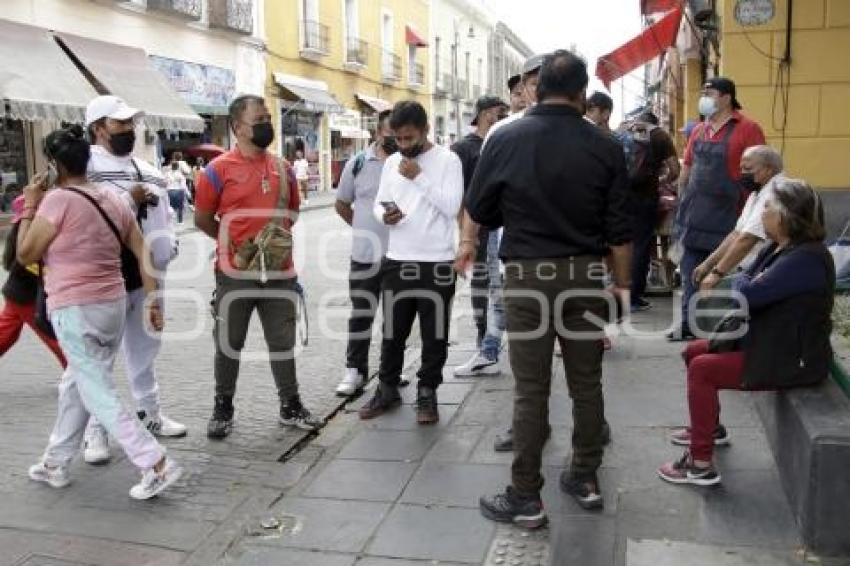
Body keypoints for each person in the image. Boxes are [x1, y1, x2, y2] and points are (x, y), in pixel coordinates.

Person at [470, 50, 633, 526]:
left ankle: (525, 495)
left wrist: (516, 212)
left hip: (526, 277)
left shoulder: (506, 138)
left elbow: (480, 208)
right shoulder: (605, 146)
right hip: (585, 274)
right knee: (587, 383)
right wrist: (621, 287)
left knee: (530, 389)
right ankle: (584, 475)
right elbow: (619, 230)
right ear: (583, 94)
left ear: (536, 90)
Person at [18, 125, 182, 499]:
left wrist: (30, 204)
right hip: (113, 304)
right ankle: (55, 462)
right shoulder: (112, 199)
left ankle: (155, 462)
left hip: (76, 307)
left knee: (96, 391)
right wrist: (153, 300)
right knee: (79, 383)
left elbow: (25, 253)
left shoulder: (57, 201)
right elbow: (142, 251)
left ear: (55, 165)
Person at [658, 179, 832, 486]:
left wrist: (746, 281)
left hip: (792, 358)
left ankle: (700, 464)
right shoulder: (780, 248)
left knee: (703, 369)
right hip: (767, 341)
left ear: (785, 216)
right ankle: (709, 429)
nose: (762, 213)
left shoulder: (807, 259)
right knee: (693, 351)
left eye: (767, 207)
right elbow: (746, 282)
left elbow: (746, 293)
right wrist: (747, 281)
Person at [195, 94, 322, 438]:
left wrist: (270, 244)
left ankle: (290, 405)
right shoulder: (217, 171)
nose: (267, 125)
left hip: (280, 272)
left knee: (283, 342)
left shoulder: (282, 167)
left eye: (269, 118)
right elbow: (204, 218)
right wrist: (235, 245)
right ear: (237, 127)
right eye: (259, 120)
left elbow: (291, 213)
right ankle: (223, 407)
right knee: (228, 343)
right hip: (234, 273)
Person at [84, 95, 186, 465]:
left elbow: (167, 217)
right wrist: (129, 198)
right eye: (119, 124)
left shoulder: (148, 167)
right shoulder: (84, 168)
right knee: (99, 356)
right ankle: (95, 427)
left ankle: (150, 413)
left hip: (147, 274)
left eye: (130, 123)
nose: (128, 130)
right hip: (103, 276)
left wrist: (168, 247)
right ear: (98, 128)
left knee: (146, 347)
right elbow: (84, 216)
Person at [358, 101, 464, 425]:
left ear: (425, 130)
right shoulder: (391, 162)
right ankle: (387, 388)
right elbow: (378, 203)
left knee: (434, 334)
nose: (403, 146)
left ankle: (427, 392)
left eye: (409, 138)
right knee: (393, 330)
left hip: (436, 261)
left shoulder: (448, 160)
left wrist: (419, 178)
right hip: (398, 258)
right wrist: (384, 214)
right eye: (398, 139)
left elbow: (451, 206)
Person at [671, 77, 766, 341]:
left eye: (709, 93)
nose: (704, 98)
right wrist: (682, 199)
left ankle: (719, 326)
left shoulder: (748, 128)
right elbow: (687, 169)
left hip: (729, 216)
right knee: (691, 271)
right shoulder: (699, 130)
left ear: (726, 98)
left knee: (722, 275)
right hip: (695, 214)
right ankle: (689, 326)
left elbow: (759, 170)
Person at [334, 109, 396, 396]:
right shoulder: (358, 163)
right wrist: (362, 229)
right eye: (389, 134)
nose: (394, 139)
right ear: (377, 133)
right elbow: (342, 204)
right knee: (361, 314)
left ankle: (389, 373)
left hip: (399, 257)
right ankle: (354, 370)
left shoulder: (407, 163)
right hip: (364, 256)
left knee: (395, 319)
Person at [451, 95, 508, 377]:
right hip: (475, 228)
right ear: (486, 113)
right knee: (480, 285)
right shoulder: (463, 148)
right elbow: (458, 194)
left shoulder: (503, 139)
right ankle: (483, 336)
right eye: (500, 110)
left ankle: (491, 342)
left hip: (502, 226)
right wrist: (465, 234)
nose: (505, 114)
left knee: (501, 286)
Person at [620, 111, 680, 312]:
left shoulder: (623, 131)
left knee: (621, 243)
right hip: (645, 198)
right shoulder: (660, 135)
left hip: (620, 197)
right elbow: (675, 170)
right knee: (641, 245)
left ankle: (619, 292)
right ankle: (634, 297)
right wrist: (661, 180)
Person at [0, 195, 67, 367]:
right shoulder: (29, 236)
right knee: (57, 340)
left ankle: (74, 374)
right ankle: (77, 375)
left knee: (5, 335)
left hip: (17, 293)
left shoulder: (22, 232)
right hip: (26, 297)